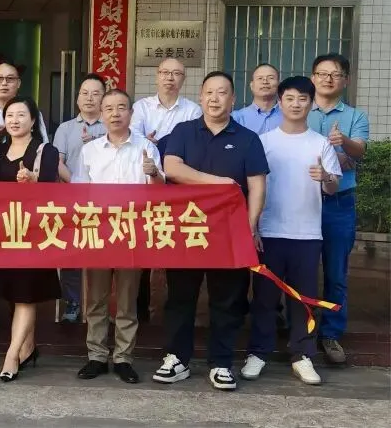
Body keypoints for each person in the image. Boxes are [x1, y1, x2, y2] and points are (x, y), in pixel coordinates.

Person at [155, 71, 268, 391]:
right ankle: (177, 359)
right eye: (209, 92)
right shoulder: (183, 131)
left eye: (222, 93)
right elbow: (172, 168)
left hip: (229, 234)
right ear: (201, 97)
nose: (215, 99)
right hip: (186, 230)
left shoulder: (248, 139)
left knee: (227, 299)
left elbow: (258, 187)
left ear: (233, 99)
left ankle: (221, 363)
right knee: (180, 297)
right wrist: (219, 183)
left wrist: (250, 227)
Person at [241, 76, 341, 386]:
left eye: (302, 99)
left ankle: (303, 355)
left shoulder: (320, 143)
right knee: (264, 297)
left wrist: (325, 177)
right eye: (290, 98)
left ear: (311, 104)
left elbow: (333, 187)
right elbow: (252, 188)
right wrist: (254, 227)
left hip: (307, 234)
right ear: (280, 102)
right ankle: (258, 352)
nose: (296, 104)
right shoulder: (264, 142)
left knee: (304, 299)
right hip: (269, 232)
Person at [72, 88, 163, 385]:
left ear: (131, 113)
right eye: (109, 108)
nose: (115, 113)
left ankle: (124, 358)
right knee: (96, 299)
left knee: (127, 300)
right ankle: (96, 356)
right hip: (98, 233)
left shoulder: (146, 148)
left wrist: (154, 174)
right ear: (101, 114)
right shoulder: (90, 150)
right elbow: (79, 191)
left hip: (132, 233)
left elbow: (160, 194)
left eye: (121, 107)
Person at [0, 97, 63, 383]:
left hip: (33, 235)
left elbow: (52, 191)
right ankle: (28, 347)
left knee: (25, 295)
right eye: (10, 115)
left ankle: (11, 355)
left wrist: (33, 182)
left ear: (33, 121)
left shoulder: (46, 151)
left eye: (21, 115)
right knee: (14, 294)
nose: (15, 120)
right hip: (5, 234)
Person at [307, 53, 369, 365]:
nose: (328, 79)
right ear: (313, 78)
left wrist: (342, 140)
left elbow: (359, 153)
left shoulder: (356, 116)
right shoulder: (300, 109)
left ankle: (330, 334)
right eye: (322, 73)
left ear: (345, 80)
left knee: (336, 272)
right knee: (300, 269)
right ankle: (300, 330)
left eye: (335, 74)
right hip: (302, 202)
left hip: (339, 203)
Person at [130, 56, 201, 321]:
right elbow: (135, 142)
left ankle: (175, 311)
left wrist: (156, 143)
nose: (170, 78)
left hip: (179, 189)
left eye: (176, 73)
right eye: (165, 72)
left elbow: (192, 145)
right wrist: (164, 146)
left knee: (175, 247)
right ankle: (140, 310)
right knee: (142, 247)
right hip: (146, 187)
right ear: (157, 76)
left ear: (184, 79)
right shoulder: (141, 107)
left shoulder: (193, 110)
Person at [53, 73, 108, 323]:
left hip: (105, 202)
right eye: (84, 93)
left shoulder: (111, 127)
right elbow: (58, 163)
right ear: (77, 98)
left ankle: (100, 304)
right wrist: (79, 185)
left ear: (104, 98)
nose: (89, 98)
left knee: (102, 253)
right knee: (72, 253)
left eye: (96, 93)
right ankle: (73, 301)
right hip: (73, 199)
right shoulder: (65, 128)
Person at [0, 61, 48, 147]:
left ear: (18, 83)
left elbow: (43, 145)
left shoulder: (31, 112)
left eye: (10, 78)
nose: (4, 83)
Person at [232, 64, 282, 135]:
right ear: (251, 86)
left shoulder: (289, 116)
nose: (265, 82)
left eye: (271, 78)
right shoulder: (236, 118)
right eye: (260, 78)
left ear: (279, 84)